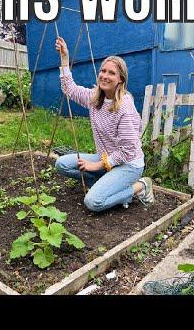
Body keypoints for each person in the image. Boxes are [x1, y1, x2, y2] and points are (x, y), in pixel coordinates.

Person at [53, 36, 154, 211]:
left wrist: (97, 165)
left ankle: (141, 187)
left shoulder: (124, 106)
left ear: (121, 79)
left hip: (129, 165)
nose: (105, 76)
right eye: (103, 71)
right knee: (61, 164)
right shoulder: (95, 99)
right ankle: (108, 185)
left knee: (93, 202)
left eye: (111, 73)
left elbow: (128, 152)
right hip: (106, 159)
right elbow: (69, 89)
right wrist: (65, 58)